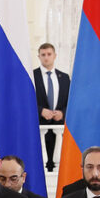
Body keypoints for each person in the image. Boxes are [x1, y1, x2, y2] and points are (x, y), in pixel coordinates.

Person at [33, 43, 70, 171]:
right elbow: (25, 100)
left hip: (58, 127)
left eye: (49, 54)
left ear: (55, 56)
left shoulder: (64, 78)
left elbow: (70, 102)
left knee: (58, 164)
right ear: (39, 57)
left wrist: (62, 113)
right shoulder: (32, 76)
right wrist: (40, 111)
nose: (46, 57)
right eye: (43, 55)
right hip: (39, 126)